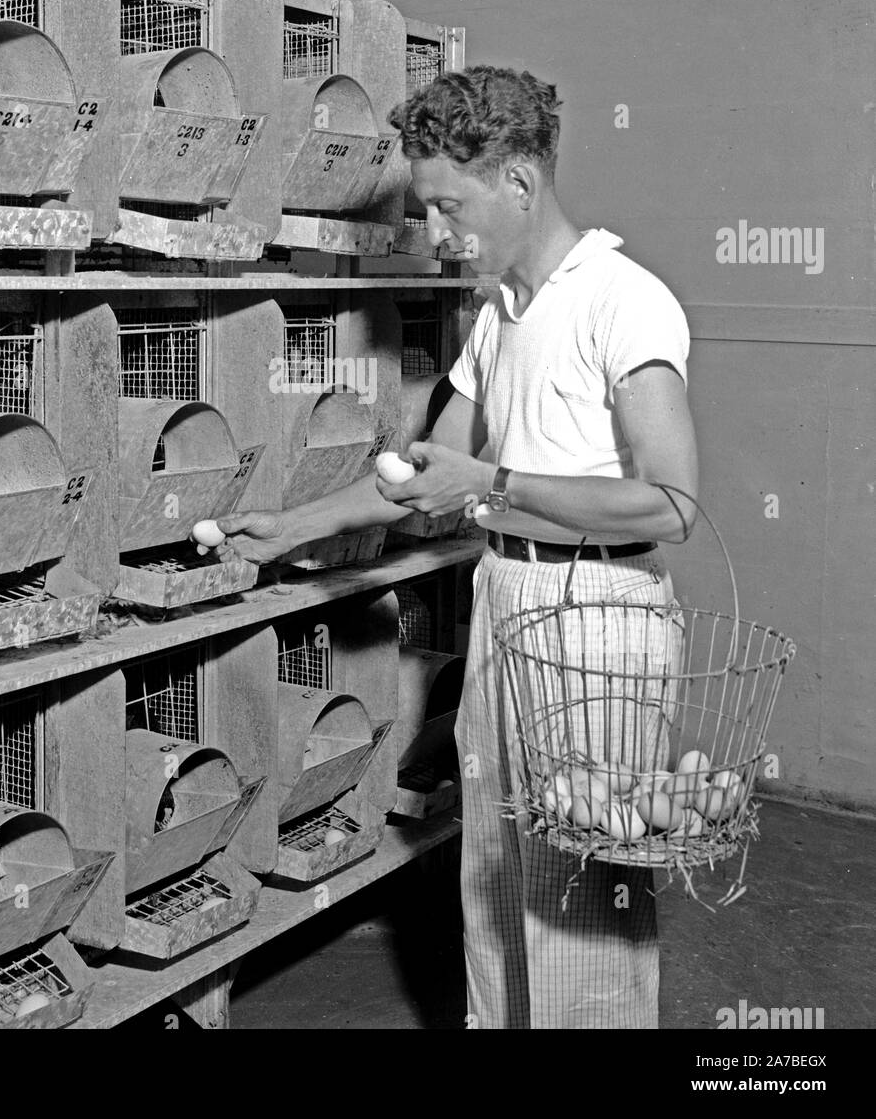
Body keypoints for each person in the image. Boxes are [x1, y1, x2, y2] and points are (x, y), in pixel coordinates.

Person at [204, 65, 698, 1029]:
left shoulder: (623, 301)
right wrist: (294, 528)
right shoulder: (498, 317)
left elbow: (671, 504)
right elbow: (424, 471)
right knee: (495, 882)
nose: (436, 234)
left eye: (447, 207)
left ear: (517, 181)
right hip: (511, 600)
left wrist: (498, 488)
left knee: (583, 904)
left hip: (602, 623)